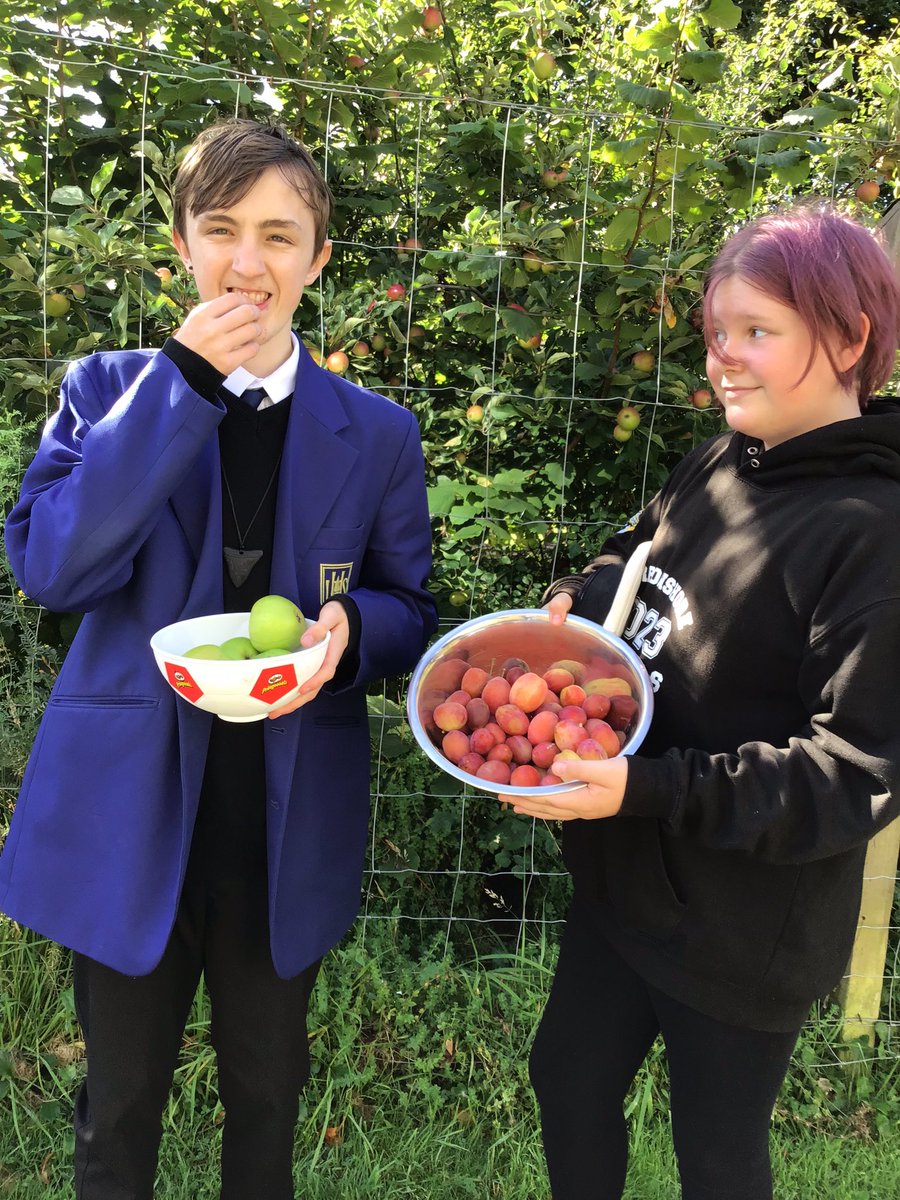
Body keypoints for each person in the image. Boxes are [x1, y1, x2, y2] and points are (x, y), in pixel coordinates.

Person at [1, 118, 436, 1199]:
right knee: (119, 1105)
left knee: (267, 1094)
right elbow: (54, 568)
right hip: (130, 810)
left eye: (279, 236)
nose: (249, 262)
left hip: (283, 819)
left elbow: (406, 605)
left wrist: (355, 631)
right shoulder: (105, 390)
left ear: (318, 259)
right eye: (222, 229)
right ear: (181, 245)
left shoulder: (378, 433)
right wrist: (183, 386)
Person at [502, 205, 900, 1200]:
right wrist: (581, 598)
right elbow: (636, 549)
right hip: (630, 876)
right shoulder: (726, 457)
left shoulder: (874, 535)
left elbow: (850, 775)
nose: (724, 358)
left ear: (851, 338)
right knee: (568, 1081)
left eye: (757, 331)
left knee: (716, 1158)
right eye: (719, 331)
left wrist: (642, 788)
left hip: (742, 926)